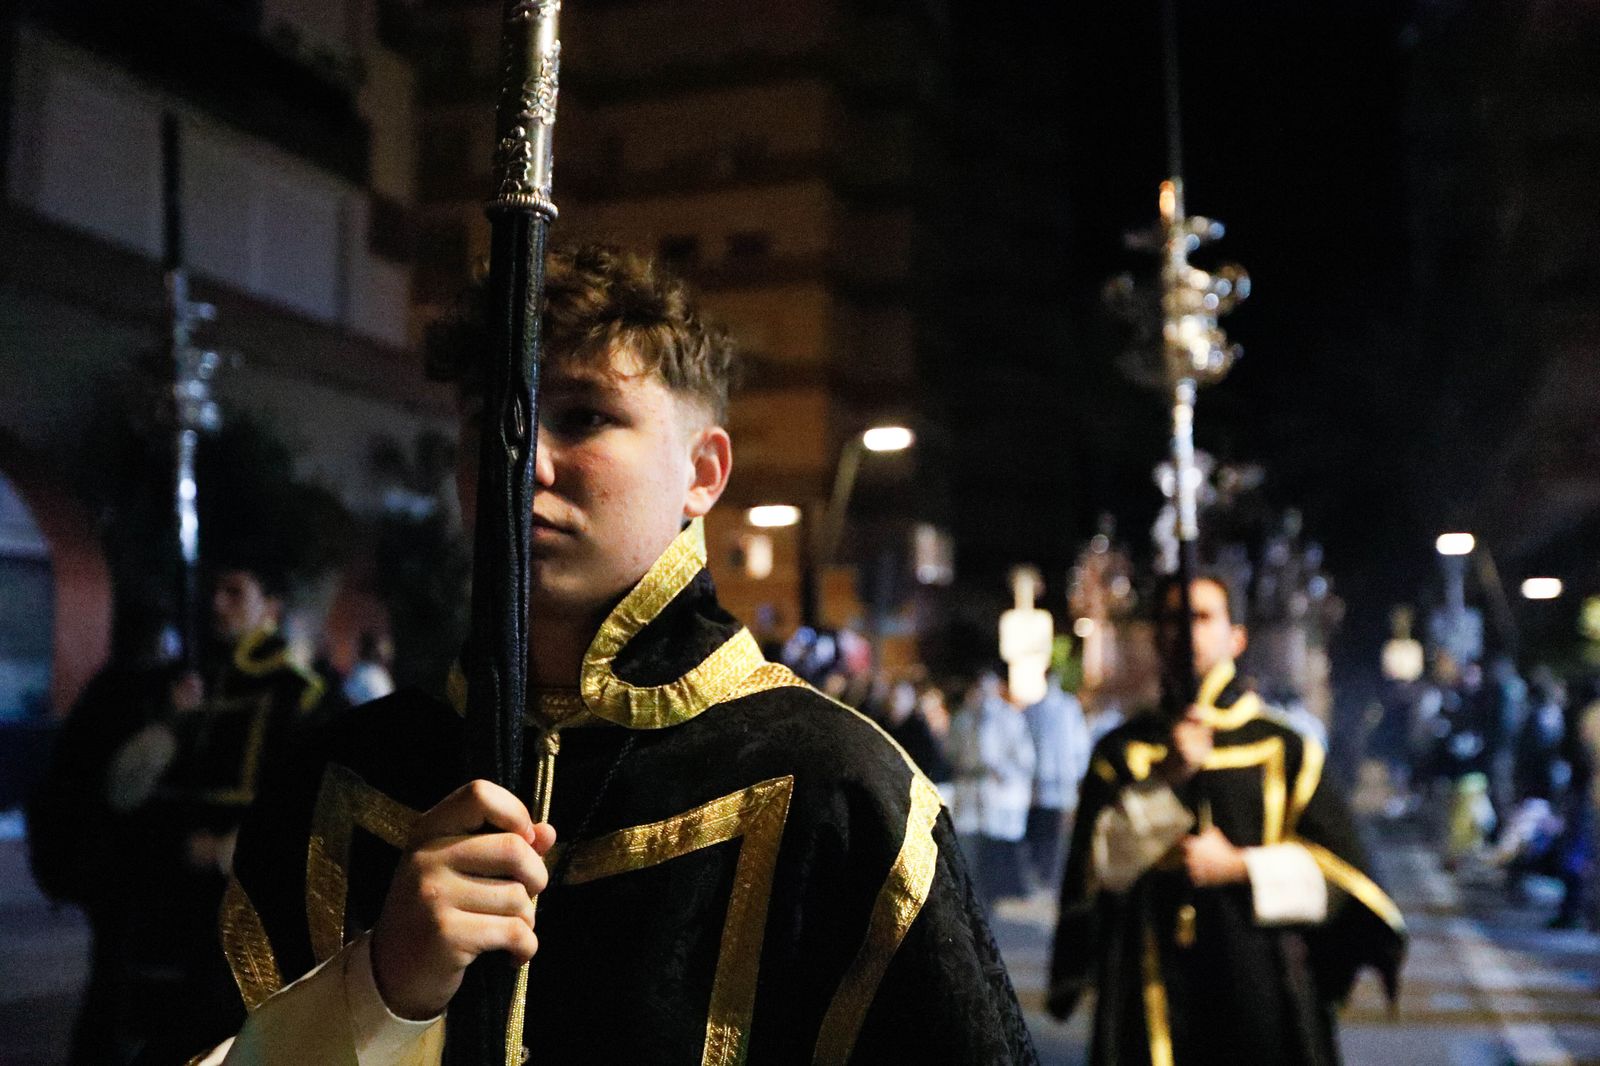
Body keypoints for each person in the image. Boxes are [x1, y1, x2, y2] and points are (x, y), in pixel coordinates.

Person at [173, 246, 1035, 1064]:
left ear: (704, 471)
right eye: (494, 426)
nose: (526, 466)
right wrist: (382, 984)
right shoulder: (342, 775)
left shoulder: (838, 790)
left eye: (585, 416)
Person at [1048, 575, 1405, 1066]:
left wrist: (1240, 867)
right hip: (1151, 979)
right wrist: (1167, 780)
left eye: (1202, 617)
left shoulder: (1284, 747)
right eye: (1173, 619)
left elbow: (1343, 877)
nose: (1186, 632)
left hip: (1259, 979)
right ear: (1156, 636)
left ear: (1235, 637)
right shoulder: (1122, 750)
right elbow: (1099, 873)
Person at [30, 562, 327, 1064]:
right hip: (151, 909)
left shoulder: (299, 697)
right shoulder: (172, 686)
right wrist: (172, 724)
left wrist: (229, 851)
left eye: (235, 592)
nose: (217, 604)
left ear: (270, 608)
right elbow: (120, 793)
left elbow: (308, 812)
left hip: (234, 921)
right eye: (215, 590)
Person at [948, 669, 1035, 909]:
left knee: (993, 852)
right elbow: (952, 752)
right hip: (969, 792)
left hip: (997, 796)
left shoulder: (1010, 718)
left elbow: (1023, 757)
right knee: (969, 848)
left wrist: (1003, 771)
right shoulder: (964, 718)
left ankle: (990, 899)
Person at [1021, 672, 1091, 890]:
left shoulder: (1068, 708)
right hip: (1042, 782)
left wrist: (1079, 773)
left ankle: (1048, 874)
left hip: (1058, 782)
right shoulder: (1036, 709)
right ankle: (1042, 873)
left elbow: (1079, 744)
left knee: (1053, 831)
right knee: (1043, 829)